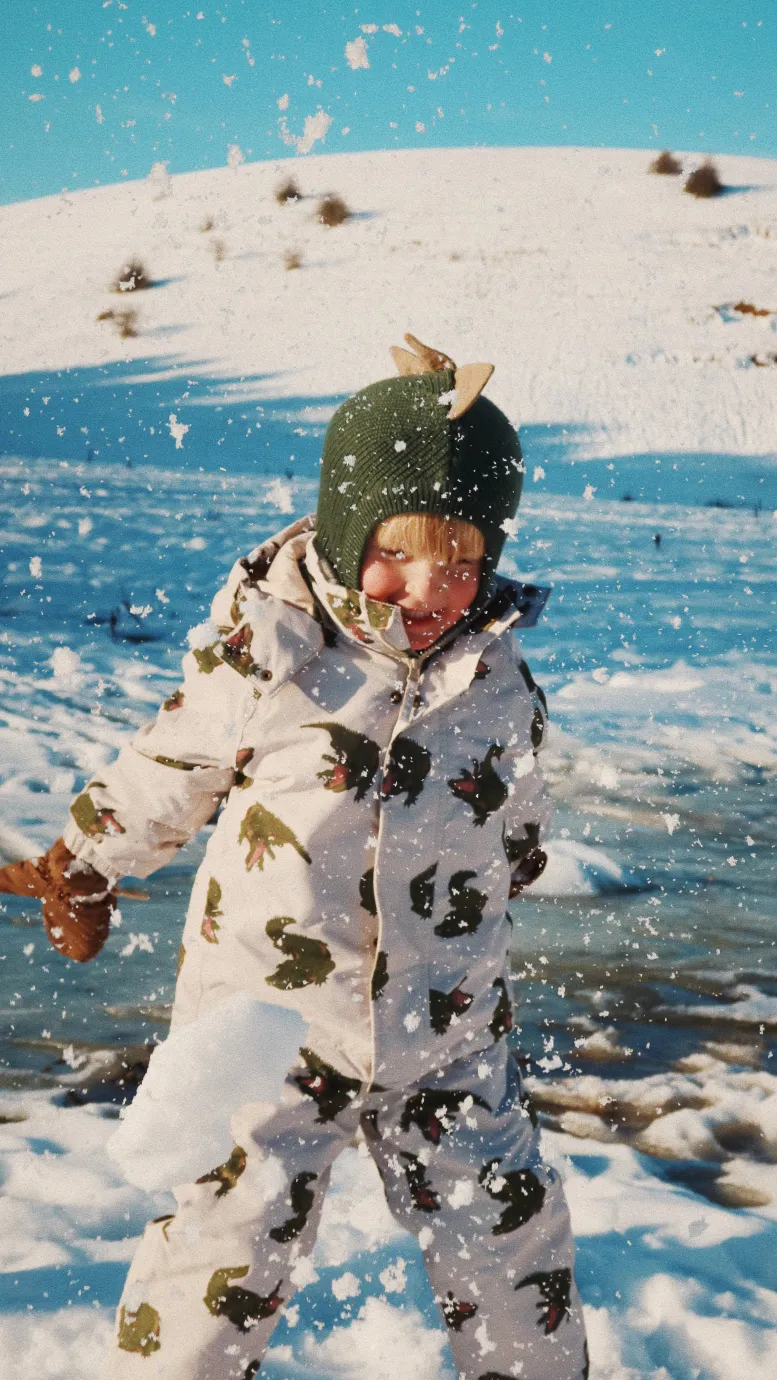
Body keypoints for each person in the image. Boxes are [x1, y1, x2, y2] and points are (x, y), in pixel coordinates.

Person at [0, 336, 588, 1379]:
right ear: (345, 523)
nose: (428, 588)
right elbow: (169, 762)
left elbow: (517, 801)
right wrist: (85, 858)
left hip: (446, 1025)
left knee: (512, 1242)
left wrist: (515, 861)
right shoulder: (274, 653)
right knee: (223, 1251)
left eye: (463, 561)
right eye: (397, 552)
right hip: (267, 1019)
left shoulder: (497, 676)